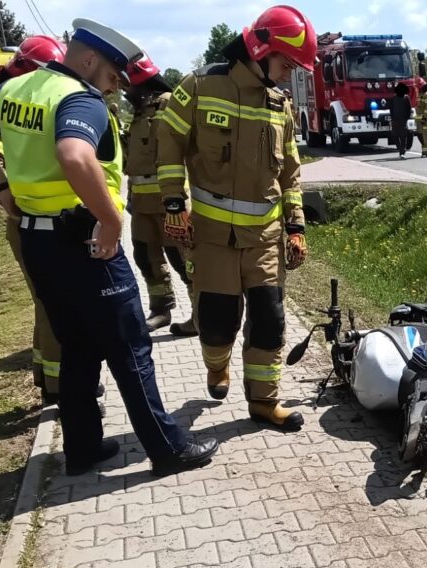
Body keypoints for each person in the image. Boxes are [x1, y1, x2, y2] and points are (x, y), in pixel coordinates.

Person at [0, 18, 218, 477]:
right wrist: (112, 221)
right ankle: (169, 448)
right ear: (89, 59)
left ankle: (83, 448)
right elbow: (74, 155)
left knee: (76, 347)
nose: (115, 88)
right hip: (86, 243)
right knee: (130, 348)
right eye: (114, 76)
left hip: (39, 241)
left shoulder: (18, 89)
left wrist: (0, 191)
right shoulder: (79, 98)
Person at [157, 5, 314, 432]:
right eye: (286, 63)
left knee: (269, 319)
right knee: (219, 321)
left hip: (263, 238)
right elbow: (168, 142)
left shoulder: (279, 105)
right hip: (211, 236)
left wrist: (296, 226)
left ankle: (264, 403)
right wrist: (174, 202)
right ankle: (216, 366)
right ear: (261, 50)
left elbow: (290, 172)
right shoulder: (200, 86)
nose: (288, 74)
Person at [0, 36, 69, 403]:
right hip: (36, 222)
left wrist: (0, 189)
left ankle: (44, 373)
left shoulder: (6, 101)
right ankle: (60, 387)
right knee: (54, 302)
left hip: (34, 219)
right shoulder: (15, 100)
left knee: (44, 300)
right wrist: (2, 190)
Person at [124, 55, 196, 336]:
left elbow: (176, 148)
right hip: (141, 202)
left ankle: (200, 315)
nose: (125, 91)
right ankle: (161, 309)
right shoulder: (141, 111)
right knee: (145, 256)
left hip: (168, 200)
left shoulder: (167, 103)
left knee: (183, 259)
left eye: (128, 85)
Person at [388, 82, 412, 159]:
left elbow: (409, 108)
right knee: (395, 136)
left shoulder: (406, 98)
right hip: (395, 120)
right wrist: (392, 117)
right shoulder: (393, 98)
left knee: (403, 136)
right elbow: (390, 108)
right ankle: (400, 148)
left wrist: (407, 118)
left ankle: (402, 150)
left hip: (403, 120)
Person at [416, 79, 427, 158]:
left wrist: (424, 118)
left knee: (424, 135)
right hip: (419, 118)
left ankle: (425, 152)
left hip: (424, 119)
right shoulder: (421, 94)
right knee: (419, 134)